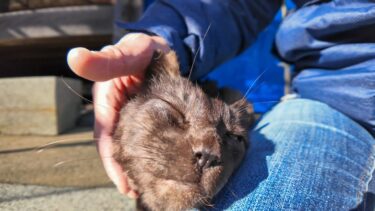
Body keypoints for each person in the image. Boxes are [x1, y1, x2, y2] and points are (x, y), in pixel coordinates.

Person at [67, 0, 375, 209]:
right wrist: (166, 34)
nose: (211, 147)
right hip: (336, 94)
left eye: (234, 138)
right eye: (175, 116)